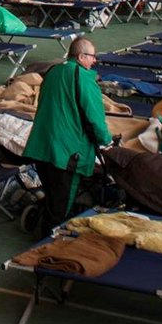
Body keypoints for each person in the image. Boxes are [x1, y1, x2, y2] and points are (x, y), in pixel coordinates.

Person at [22, 38, 114, 223]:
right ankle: (48, 245)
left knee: (52, 197)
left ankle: (43, 234)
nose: (94, 60)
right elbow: (95, 117)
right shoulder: (84, 78)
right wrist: (106, 140)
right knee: (60, 208)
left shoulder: (53, 71)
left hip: (41, 146)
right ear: (81, 56)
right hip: (67, 153)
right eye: (92, 56)